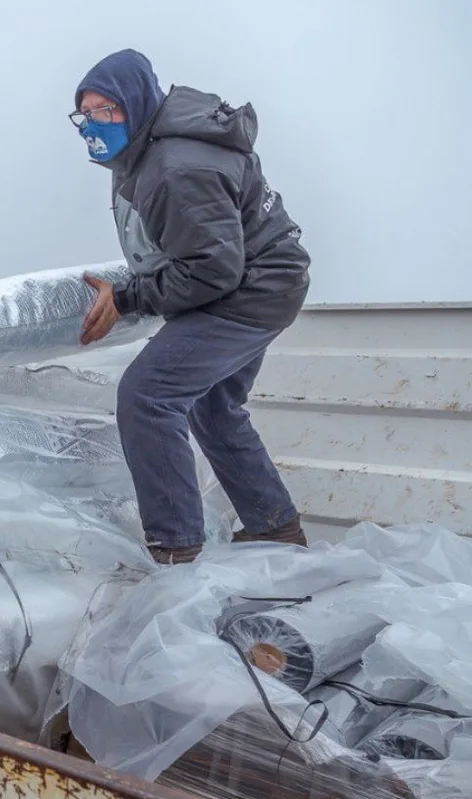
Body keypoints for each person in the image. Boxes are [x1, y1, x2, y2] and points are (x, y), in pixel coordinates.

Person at [71, 48, 312, 564]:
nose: (92, 124)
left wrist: (131, 297)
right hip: (267, 280)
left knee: (148, 396)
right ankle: (278, 532)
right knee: (214, 407)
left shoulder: (174, 167)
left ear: (135, 104)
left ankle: (177, 550)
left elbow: (212, 269)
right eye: (85, 115)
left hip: (251, 290)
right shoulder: (146, 150)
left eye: (104, 111)